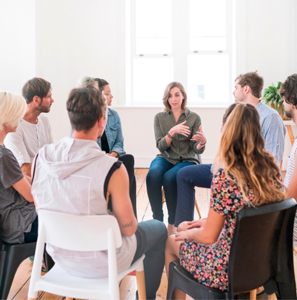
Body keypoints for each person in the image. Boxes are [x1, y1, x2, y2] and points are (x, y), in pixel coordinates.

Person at [31, 86, 167, 300]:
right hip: (104, 262)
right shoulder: (111, 168)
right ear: (102, 121)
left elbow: (41, 207)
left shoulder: (42, 157)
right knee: (159, 229)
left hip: (60, 256)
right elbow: (130, 229)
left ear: (70, 117)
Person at [165, 103, 285, 298]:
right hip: (262, 263)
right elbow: (243, 215)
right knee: (187, 229)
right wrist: (202, 223)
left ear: (228, 131)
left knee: (173, 241)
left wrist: (192, 233)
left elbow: (208, 237)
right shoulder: (271, 171)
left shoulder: (227, 177)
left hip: (226, 270)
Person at [174, 71, 286, 226]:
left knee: (221, 182)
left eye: (236, 87)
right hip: (227, 168)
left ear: (246, 89)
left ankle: (214, 225)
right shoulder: (237, 113)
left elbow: (273, 159)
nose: (233, 91)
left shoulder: (270, 117)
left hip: (245, 175)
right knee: (184, 174)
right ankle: (183, 227)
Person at [146, 82, 206, 235]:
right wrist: (171, 133)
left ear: (183, 96)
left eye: (177, 95)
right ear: (166, 99)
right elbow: (160, 146)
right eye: (170, 96)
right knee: (152, 175)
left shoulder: (193, 117)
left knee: (170, 177)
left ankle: (171, 223)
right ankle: (157, 220)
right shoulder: (159, 118)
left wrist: (202, 142)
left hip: (187, 158)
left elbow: (195, 148)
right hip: (166, 156)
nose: (173, 99)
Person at [77, 76, 137, 217]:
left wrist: (113, 155)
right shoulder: (84, 118)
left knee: (128, 159)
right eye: (108, 93)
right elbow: (80, 146)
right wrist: (102, 157)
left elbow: (119, 142)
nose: (112, 96)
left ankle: (129, 213)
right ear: (99, 96)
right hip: (94, 161)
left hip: (111, 158)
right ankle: (120, 214)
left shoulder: (114, 115)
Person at [0, 91, 37, 244]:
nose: (21, 119)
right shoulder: (4, 156)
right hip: (16, 223)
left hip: (9, 219)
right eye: (17, 116)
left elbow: (19, 179)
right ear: (6, 120)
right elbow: (31, 196)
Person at [4, 77, 54, 179]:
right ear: (36, 100)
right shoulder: (14, 127)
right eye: (49, 97)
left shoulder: (44, 120)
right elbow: (25, 170)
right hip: (30, 185)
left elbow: (52, 157)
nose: (52, 100)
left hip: (46, 180)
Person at [279, 74, 297, 243]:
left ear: (292, 99)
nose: (283, 104)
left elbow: (293, 196)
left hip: (295, 225)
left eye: (284, 99)